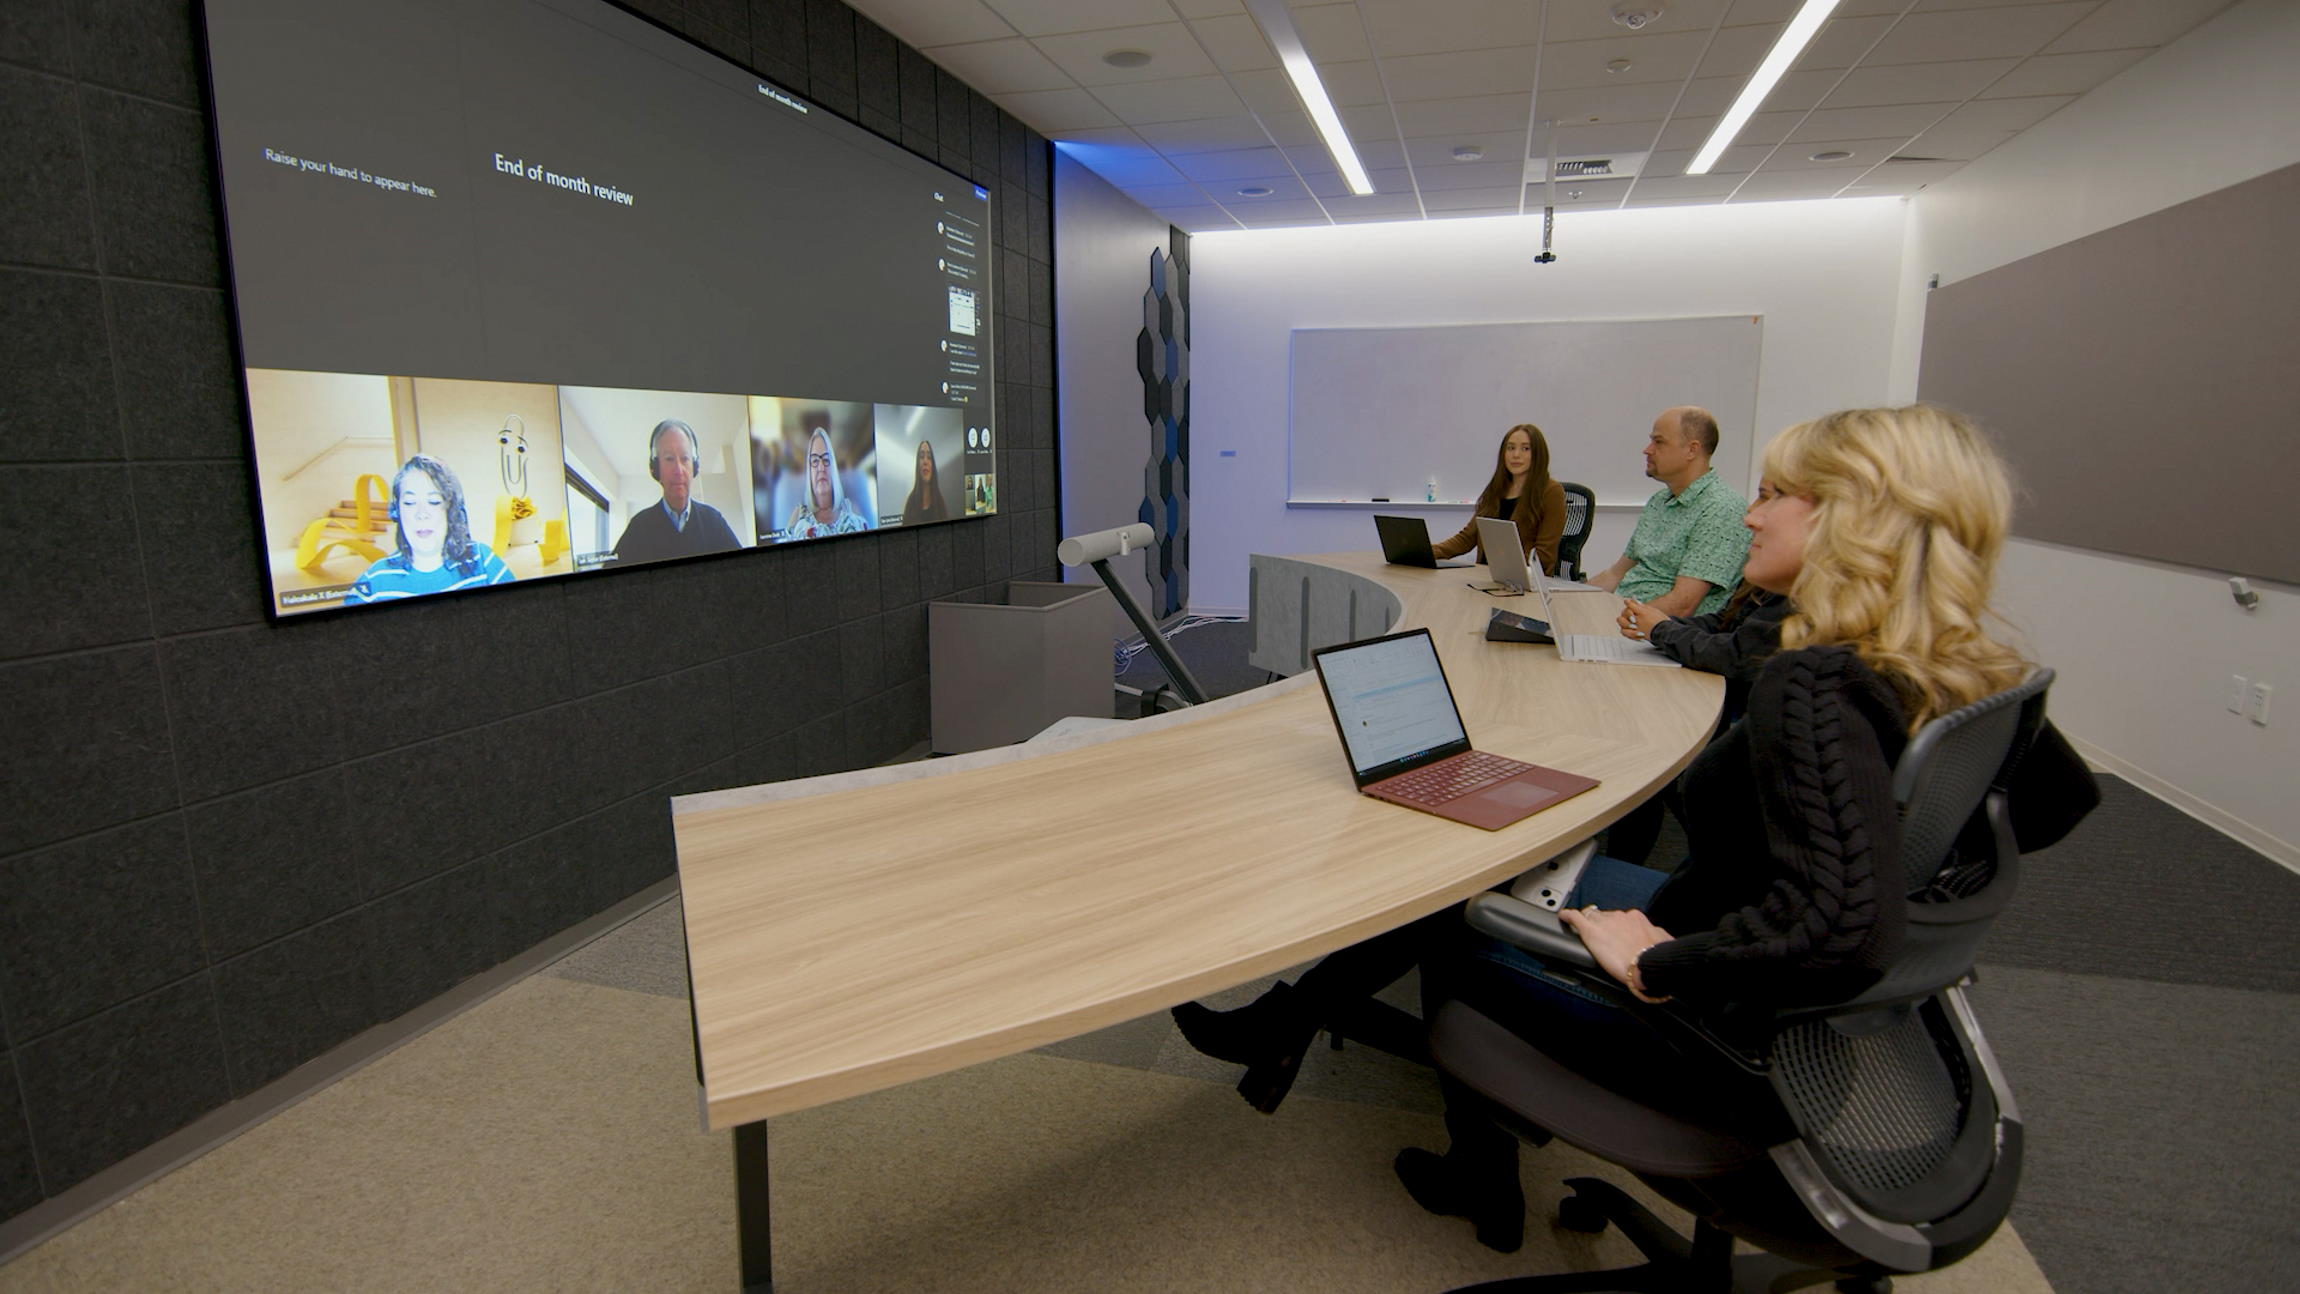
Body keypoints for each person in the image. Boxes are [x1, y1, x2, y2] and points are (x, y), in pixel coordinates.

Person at [1391, 404, 2039, 1252]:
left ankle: (1483, 1178)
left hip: (1713, 1030)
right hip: (1813, 1033)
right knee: (1534, 875)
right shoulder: (1971, 664)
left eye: (1778, 496)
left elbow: (1847, 928)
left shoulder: (1812, 684)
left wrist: (1660, 961)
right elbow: (2047, 809)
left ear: (1859, 520)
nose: (1750, 515)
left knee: (1454, 914)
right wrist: (1912, 877)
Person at [1590, 406, 1750, 618]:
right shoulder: (1660, 501)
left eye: (1659, 442)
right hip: (1624, 619)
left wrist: (1612, 622)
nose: (1647, 450)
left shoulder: (1721, 509)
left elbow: (1682, 605)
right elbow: (1615, 574)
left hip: (1653, 634)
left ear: (1692, 450)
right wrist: (1567, 601)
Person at [343, 454, 514, 604]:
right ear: (397, 512)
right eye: (410, 503)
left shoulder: (483, 561)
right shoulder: (373, 584)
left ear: (449, 509)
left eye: (433, 501)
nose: (421, 514)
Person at [1428, 424, 1567, 572]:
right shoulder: (1496, 489)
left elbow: (1544, 556)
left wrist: (1504, 567)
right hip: (1484, 579)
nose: (1516, 455)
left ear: (1538, 454)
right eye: (1510, 448)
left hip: (1523, 584)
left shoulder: (1551, 492)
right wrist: (1425, 552)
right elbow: (1466, 539)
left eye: (1525, 448)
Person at [612, 419, 744, 564]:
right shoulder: (639, 527)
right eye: (669, 459)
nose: (679, 470)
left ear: (694, 466)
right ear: (656, 469)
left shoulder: (713, 520)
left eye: (685, 459)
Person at [780, 427, 870, 540]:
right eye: (815, 461)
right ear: (809, 471)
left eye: (826, 460)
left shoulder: (853, 511)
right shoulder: (797, 515)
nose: (821, 468)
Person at [900, 438, 951, 525]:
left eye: (929, 457)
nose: (925, 461)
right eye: (921, 457)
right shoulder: (910, 503)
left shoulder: (940, 503)